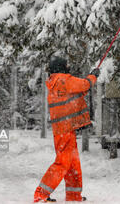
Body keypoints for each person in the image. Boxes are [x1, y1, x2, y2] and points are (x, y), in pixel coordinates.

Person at [34, 57, 100, 203]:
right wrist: (93, 76)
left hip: (64, 129)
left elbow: (74, 94)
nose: (69, 67)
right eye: (67, 65)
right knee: (63, 163)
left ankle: (73, 195)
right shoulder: (64, 79)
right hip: (65, 129)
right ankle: (41, 193)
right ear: (61, 68)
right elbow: (84, 85)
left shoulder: (55, 82)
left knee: (72, 163)